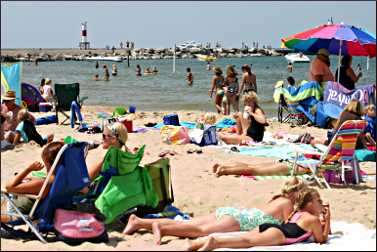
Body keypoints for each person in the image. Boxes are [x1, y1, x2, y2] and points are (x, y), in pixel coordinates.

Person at [123, 177, 308, 244]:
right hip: (242, 221)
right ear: (297, 193)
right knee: (198, 231)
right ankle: (160, 228)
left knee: (190, 224)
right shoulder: (288, 205)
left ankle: (138, 222)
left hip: (235, 213)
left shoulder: (276, 198)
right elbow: (292, 227)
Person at [185, 187, 331, 251]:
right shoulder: (313, 220)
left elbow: (324, 233)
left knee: (245, 238)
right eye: (319, 202)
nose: (321, 204)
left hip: (271, 227)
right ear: (310, 204)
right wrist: (328, 218)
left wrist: (324, 219)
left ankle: (197, 243)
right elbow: (322, 239)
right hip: (280, 235)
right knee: (247, 242)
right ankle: (215, 242)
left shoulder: (297, 214)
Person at [1, 141, 65, 223]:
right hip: (27, 207)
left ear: (47, 161)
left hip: (16, 214)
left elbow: (8, 187)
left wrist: (28, 169)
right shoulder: (62, 178)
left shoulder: (43, 183)